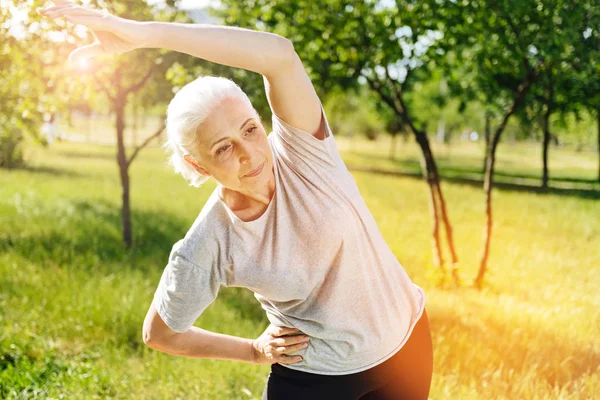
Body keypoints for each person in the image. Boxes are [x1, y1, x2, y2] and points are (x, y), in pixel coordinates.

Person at [39, 2, 433, 399]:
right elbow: (159, 334)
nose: (250, 154)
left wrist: (144, 35)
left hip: (409, 348)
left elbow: (279, 56)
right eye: (224, 148)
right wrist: (252, 350)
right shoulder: (210, 242)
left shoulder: (303, 153)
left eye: (249, 129)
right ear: (199, 164)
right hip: (315, 380)